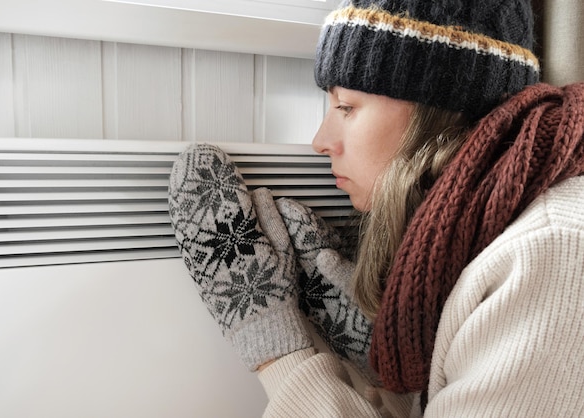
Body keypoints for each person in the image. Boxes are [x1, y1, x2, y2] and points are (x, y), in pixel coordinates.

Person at [168, 0, 584, 416]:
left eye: (346, 107)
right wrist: (377, 362)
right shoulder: (482, 236)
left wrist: (278, 350)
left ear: (438, 112)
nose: (320, 140)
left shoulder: (549, 254)